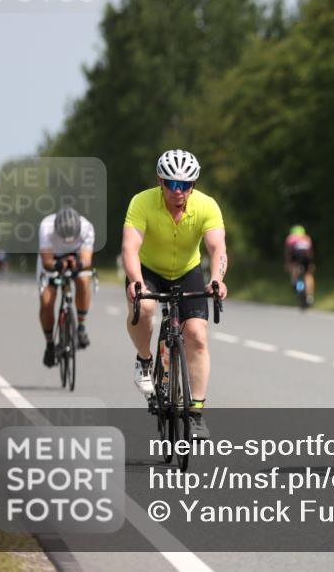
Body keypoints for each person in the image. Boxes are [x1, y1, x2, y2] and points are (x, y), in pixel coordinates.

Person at [122, 149, 227, 440]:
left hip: (187, 271)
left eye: (185, 185)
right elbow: (130, 246)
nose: (178, 191)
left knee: (196, 335)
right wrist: (136, 281)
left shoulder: (207, 206)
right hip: (150, 270)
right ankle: (144, 360)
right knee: (143, 308)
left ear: (193, 185)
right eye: (171, 184)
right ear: (160, 181)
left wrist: (217, 279)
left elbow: (217, 248)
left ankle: (195, 414)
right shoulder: (142, 202)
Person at [38, 208, 97, 366]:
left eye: (72, 238)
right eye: (65, 238)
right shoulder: (46, 227)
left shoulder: (86, 228)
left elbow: (86, 259)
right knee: (46, 302)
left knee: (84, 281)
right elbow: (47, 261)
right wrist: (59, 264)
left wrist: (78, 264)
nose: (68, 241)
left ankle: (82, 327)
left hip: (76, 255)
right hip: (53, 257)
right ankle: (50, 344)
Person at [284, 225, 315, 305]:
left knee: (294, 268)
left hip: (296, 256)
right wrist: (311, 264)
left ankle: (294, 281)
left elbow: (288, 252)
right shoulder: (306, 238)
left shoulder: (290, 238)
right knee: (308, 275)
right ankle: (309, 297)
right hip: (306, 258)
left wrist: (288, 264)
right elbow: (310, 252)